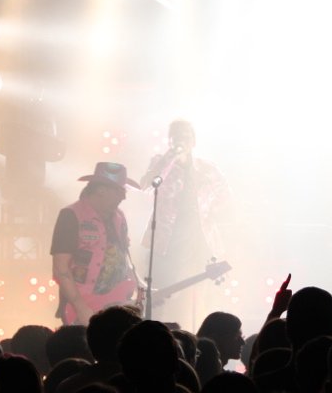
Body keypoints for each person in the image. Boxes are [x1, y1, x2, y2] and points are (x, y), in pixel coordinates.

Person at [138, 119, 231, 310]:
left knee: (201, 297)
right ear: (170, 141)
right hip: (166, 241)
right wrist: (167, 160)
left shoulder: (207, 168)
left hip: (200, 240)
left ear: (193, 141)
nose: (181, 141)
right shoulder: (160, 163)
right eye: (176, 137)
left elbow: (225, 197)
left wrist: (211, 212)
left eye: (186, 137)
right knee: (163, 295)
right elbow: (145, 187)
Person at [51, 162, 140, 326]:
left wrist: (140, 286)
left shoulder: (119, 217)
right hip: (84, 305)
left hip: (118, 304)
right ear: (101, 190)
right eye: (120, 191)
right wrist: (80, 307)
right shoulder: (70, 216)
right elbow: (60, 269)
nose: (124, 197)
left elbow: (122, 258)